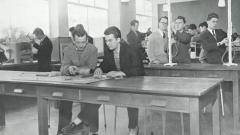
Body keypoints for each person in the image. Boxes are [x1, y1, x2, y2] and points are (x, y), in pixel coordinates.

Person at [94, 26, 145, 135]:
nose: (107, 43)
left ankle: (133, 128)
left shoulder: (131, 50)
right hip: (118, 85)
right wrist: (99, 69)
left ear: (118, 40)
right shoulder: (109, 51)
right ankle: (79, 122)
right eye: (106, 40)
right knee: (94, 96)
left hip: (134, 84)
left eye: (110, 40)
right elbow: (104, 65)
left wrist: (121, 72)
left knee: (131, 97)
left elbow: (139, 70)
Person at [57, 28, 99, 135]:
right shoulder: (68, 49)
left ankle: (90, 131)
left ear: (87, 40)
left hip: (88, 83)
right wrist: (69, 69)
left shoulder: (92, 49)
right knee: (64, 100)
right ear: (73, 41)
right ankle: (62, 131)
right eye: (78, 42)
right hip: (71, 83)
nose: (81, 45)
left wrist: (79, 70)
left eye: (84, 42)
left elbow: (92, 69)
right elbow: (63, 68)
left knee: (89, 99)